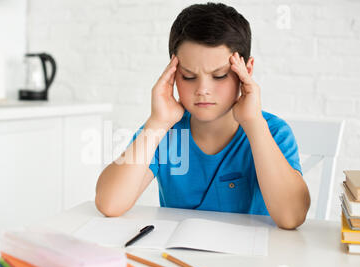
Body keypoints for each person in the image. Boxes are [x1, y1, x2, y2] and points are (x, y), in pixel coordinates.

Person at [95, 2, 310, 229]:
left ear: (246, 70)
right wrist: (157, 123)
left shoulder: (273, 131)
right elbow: (110, 204)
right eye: (188, 76)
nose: (202, 90)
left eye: (219, 76)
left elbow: (291, 217)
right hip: (179, 260)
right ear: (172, 73)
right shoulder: (165, 131)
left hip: (249, 262)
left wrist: (254, 123)